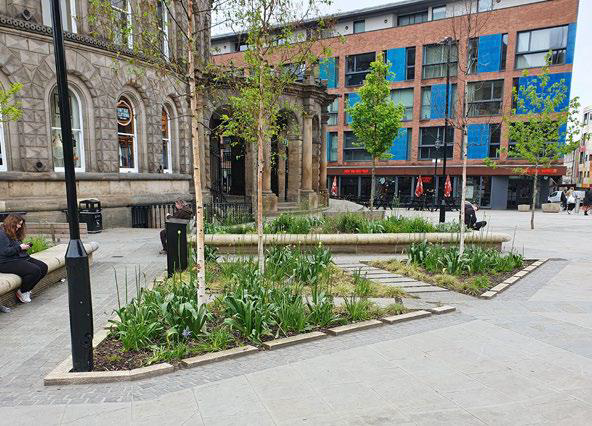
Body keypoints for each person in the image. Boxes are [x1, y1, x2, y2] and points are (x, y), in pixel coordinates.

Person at [0, 214, 48, 304]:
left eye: (21, 224)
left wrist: (23, 246)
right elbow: (5, 252)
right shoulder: (1, 233)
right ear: (11, 223)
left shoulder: (13, 231)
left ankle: (27, 288)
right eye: (18, 224)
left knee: (43, 267)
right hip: (6, 262)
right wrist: (20, 248)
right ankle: (23, 291)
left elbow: (14, 247)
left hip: (18, 257)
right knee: (35, 270)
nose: (19, 226)